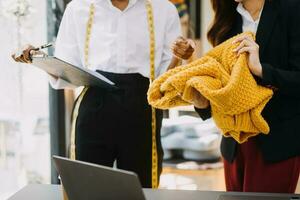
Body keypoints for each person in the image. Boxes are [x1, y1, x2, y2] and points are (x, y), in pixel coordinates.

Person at [12, 0, 195, 188]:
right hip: (93, 106)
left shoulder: (163, 9)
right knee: (86, 187)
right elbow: (68, 71)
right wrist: (37, 58)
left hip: (142, 108)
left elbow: (164, 78)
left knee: (143, 187)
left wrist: (181, 56)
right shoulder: (78, 8)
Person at [194, 0, 300, 193]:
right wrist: (202, 103)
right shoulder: (227, 18)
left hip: (276, 142)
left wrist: (261, 70)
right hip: (235, 144)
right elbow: (225, 85)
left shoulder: (292, 10)